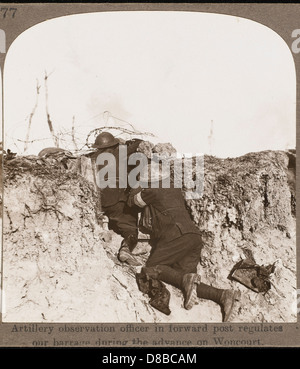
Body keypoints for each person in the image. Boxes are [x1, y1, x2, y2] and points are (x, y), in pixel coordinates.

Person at [127, 162, 241, 322]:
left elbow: (133, 202)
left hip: (176, 236)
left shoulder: (152, 190)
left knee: (151, 268)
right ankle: (223, 295)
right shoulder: (173, 187)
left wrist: (137, 184)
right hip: (193, 237)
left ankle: (191, 282)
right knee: (185, 279)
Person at [91, 131, 144, 265]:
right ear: (113, 145)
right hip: (118, 201)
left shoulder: (94, 158)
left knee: (115, 221)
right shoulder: (120, 153)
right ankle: (126, 249)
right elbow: (137, 143)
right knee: (130, 228)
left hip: (101, 202)